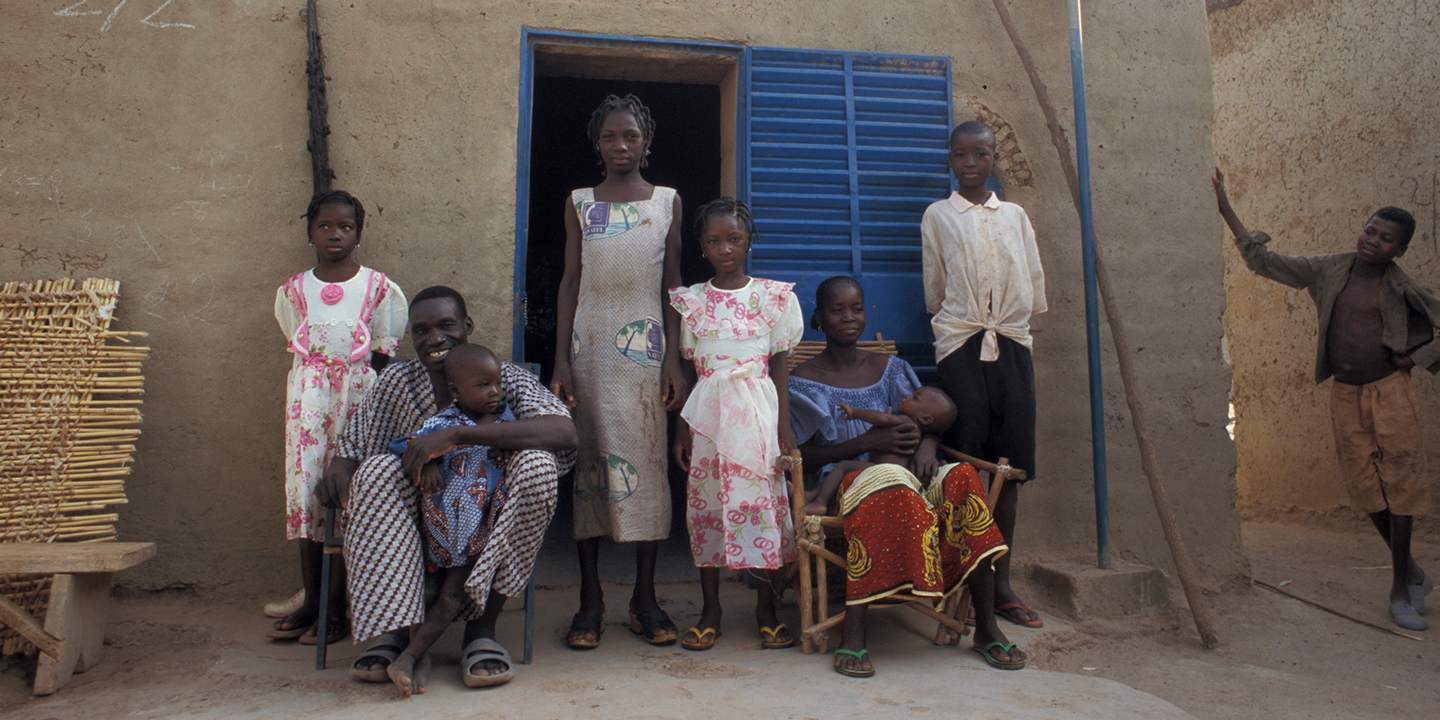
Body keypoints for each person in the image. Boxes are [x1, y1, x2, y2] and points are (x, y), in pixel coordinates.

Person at [318, 286, 577, 692]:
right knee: (376, 471)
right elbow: (353, 444)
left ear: (467, 327)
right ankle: (397, 630)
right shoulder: (398, 380)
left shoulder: (500, 377)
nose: (434, 339)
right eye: (421, 331)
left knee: (538, 465)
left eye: (446, 326)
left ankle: (482, 630)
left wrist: (457, 435)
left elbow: (563, 431)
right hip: (415, 518)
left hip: (485, 519)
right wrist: (339, 466)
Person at [1214, 168, 1435, 630]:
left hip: (1390, 393)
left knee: (1400, 484)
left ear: (1400, 248)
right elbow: (1265, 262)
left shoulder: (1401, 285)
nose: (1373, 241)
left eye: (1386, 238)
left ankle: (1399, 586)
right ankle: (1409, 568)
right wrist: (1227, 209)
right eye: (1370, 230)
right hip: (1345, 392)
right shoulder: (1330, 269)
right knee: (1365, 487)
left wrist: (1415, 357)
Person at [791, 276, 1025, 676]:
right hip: (843, 485)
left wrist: (930, 446)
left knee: (964, 478)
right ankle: (855, 632)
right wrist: (864, 440)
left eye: (857, 308)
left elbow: (930, 418)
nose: (849, 317)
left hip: (909, 476)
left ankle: (986, 627)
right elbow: (800, 458)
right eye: (836, 310)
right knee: (888, 481)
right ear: (817, 318)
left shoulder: (891, 368)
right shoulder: (802, 380)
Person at [550, 94, 687, 649]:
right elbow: (569, 281)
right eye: (610, 136)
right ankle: (590, 598)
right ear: (597, 144)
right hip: (588, 352)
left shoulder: (667, 202)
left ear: (647, 143)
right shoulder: (580, 202)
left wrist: (674, 358)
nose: (620, 145)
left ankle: (645, 598)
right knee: (589, 473)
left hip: (647, 352)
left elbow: (673, 284)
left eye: (630, 135)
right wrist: (560, 358)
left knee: (647, 471)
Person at [921, 120, 1047, 630]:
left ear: (995, 158)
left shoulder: (1015, 216)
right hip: (961, 344)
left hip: (1012, 344)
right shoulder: (937, 216)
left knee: (1009, 469)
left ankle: (1002, 584)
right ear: (950, 160)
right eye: (961, 154)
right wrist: (966, 327)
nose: (971, 162)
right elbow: (936, 285)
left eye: (981, 153)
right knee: (966, 468)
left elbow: (1032, 281)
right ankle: (965, 585)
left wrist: (1005, 323)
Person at [270, 189, 407, 645]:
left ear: (359, 234)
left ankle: (341, 607)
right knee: (311, 497)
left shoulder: (379, 288)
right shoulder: (294, 291)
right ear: (310, 231)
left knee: (352, 496)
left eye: (346, 227)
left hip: (358, 404)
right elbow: (298, 338)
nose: (335, 234)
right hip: (308, 407)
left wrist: (363, 399)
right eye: (325, 226)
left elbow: (384, 354)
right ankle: (313, 601)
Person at [669, 197, 803, 651]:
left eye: (734, 238)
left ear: (749, 240)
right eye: (713, 240)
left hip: (759, 416)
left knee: (762, 510)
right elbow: (688, 372)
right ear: (702, 246)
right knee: (705, 512)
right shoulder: (693, 302)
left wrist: (784, 425)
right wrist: (681, 430)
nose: (724, 248)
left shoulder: (773, 297)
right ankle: (711, 611)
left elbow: (780, 367)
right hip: (708, 419)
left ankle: (766, 609)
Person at [803, 387, 958, 516]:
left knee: (843, 466)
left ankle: (820, 502)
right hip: (895, 476)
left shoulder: (906, 423)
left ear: (925, 419)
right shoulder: (918, 435)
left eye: (915, 398)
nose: (907, 396)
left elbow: (883, 419)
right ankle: (813, 495)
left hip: (881, 472)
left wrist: (855, 413)